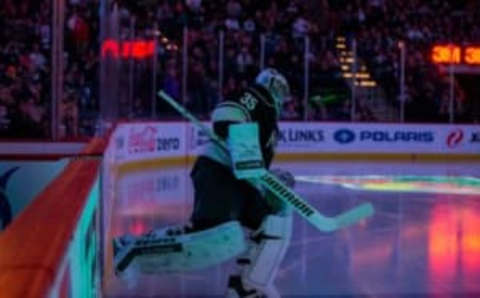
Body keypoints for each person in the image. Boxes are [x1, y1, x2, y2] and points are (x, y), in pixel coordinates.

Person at [114, 68, 294, 298]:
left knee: (272, 222)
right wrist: (244, 147)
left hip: (240, 182)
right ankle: (132, 251)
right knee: (213, 238)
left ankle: (247, 287)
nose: (281, 95)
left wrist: (269, 178)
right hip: (219, 171)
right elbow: (227, 113)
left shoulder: (270, 120)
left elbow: (254, 165)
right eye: (279, 88)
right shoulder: (259, 98)